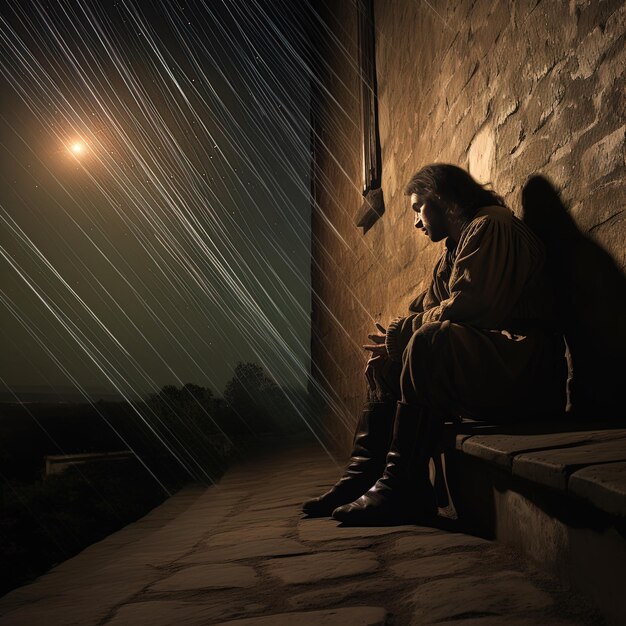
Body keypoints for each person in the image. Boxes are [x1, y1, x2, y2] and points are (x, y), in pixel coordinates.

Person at [302, 163, 567, 525]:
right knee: (391, 357)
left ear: (441, 199)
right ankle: (365, 474)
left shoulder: (491, 225)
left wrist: (403, 335)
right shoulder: (453, 252)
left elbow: (472, 307)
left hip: (529, 372)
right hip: (494, 369)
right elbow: (423, 310)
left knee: (427, 340)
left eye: (417, 208)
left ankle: (403, 484)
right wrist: (391, 348)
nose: (416, 222)